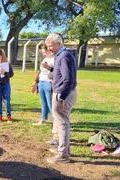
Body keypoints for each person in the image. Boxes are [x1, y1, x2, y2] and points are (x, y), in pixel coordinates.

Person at [45, 33, 77, 164]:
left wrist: (62, 97)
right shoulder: (60, 55)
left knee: (62, 123)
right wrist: (52, 71)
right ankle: (63, 150)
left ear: (59, 44)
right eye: (48, 46)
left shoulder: (64, 55)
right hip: (61, 92)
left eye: (51, 46)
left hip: (63, 94)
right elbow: (61, 74)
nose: (49, 49)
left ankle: (63, 155)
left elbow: (68, 80)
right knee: (61, 123)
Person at [31, 44, 54, 126]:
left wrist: (49, 68)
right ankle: (43, 119)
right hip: (41, 82)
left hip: (49, 83)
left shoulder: (55, 59)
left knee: (50, 104)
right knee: (43, 103)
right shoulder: (45, 59)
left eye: (45, 52)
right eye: (42, 52)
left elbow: (56, 72)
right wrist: (35, 82)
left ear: (49, 50)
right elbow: (40, 72)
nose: (44, 54)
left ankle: (57, 122)